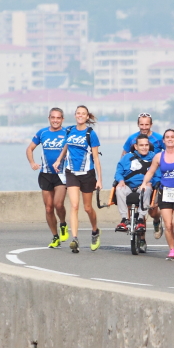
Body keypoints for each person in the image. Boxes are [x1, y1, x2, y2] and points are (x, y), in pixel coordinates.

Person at [52, 105, 102, 253]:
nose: (80, 116)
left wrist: (99, 179)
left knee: (87, 208)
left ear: (87, 117)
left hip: (87, 174)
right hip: (71, 172)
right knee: (74, 206)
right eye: (78, 113)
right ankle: (75, 239)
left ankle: (95, 231)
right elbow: (66, 146)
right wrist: (58, 160)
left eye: (83, 114)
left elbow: (96, 158)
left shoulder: (90, 134)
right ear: (75, 115)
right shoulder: (69, 130)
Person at [140, 129, 174, 260]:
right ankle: (172, 249)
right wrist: (144, 183)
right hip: (165, 193)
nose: (170, 139)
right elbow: (150, 172)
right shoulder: (158, 156)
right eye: (167, 137)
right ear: (163, 140)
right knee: (168, 224)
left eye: (172, 137)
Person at [26, 107, 70, 248]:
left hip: (61, 175)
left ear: (62, 119)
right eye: (53, 117)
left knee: (58, 204)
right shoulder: (42, 132)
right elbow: (29, 149)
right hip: (45, 174)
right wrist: (32, 163)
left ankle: (63, 224)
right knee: (49, 208)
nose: (55, 120)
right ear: (49, 118)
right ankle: (55, 236)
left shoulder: (67, 133)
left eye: (58, 118)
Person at [112, 133, 159, 233]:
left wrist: (152, 182)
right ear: (136, 146)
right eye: (141, 145)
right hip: (128, 185)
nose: (144, 147)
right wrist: (120, 180)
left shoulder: (154, 157)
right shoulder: (127, 157)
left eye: (146, 145)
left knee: (146, 189)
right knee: (119, 189)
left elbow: (158, 175)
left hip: (145, 185)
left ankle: (141, 219)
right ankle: (125, 219)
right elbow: (119, 171)